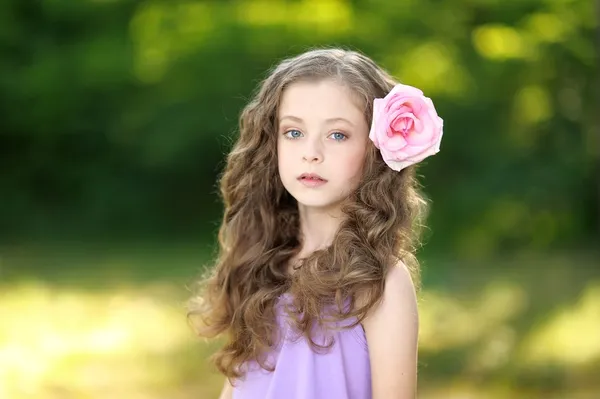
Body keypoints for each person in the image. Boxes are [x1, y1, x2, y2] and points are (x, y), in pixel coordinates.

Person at [187, 47, 444, 399]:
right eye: (294, 132)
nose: (312, 152)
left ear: (374, 150)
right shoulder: (261, 259)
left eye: (337, 135)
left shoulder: (380, 282)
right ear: (270, 141)